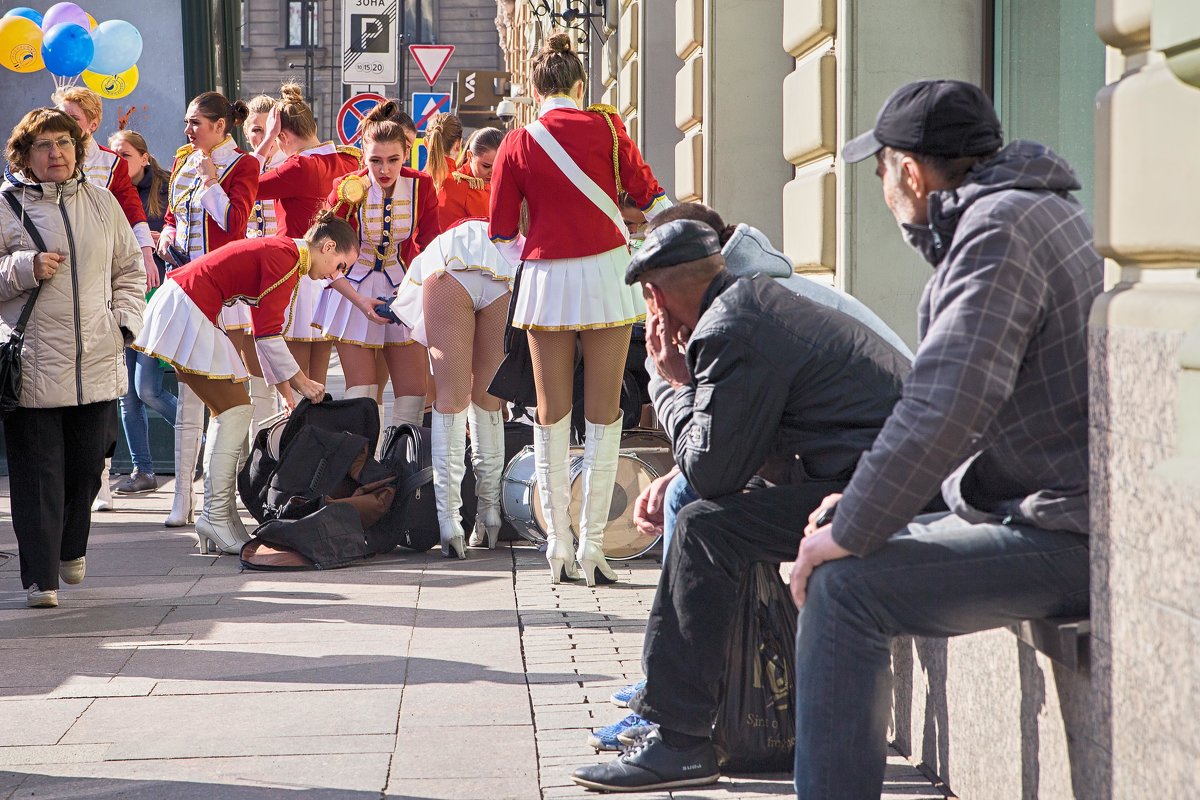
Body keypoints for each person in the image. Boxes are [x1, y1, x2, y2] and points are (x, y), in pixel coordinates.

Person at [784, 80, 1100, 799]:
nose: (884, 186)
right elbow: (970, 418)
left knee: (841, 590)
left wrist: (857, 526)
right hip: (1050, 508)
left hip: (1065, 532)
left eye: (881, 170)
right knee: (841, 541)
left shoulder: (997, 231)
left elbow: (943, 405)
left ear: (909, 171)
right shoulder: (1037, 210)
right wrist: (861, 505)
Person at [569, 219, 912, 790]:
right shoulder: (750, 304)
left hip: (882, 489)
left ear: (654, 295)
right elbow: (741, 453)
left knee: (706, 529)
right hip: (875, 477)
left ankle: (679, 740)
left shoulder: (732, 328)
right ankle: (680, 721)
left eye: (648, 298)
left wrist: (672, 386)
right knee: (714, 522)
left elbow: (710, 474)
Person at [488, 32, 671, 587]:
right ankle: (594, 546)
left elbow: (499, 233)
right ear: (577, 85)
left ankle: (557, 545)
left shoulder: (516, 142)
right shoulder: (610, 129)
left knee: (550, 413)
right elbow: (655, 200)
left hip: (546, 279)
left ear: (535, 89)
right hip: (608, 273)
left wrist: (538, 243)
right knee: (605, 411)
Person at [134, 212, 358, 555]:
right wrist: (300, 382)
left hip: (188, 302)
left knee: (230, 411)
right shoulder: (287, 259)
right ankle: (215, 515)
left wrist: (288, 386)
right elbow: (267, 335)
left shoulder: (287, 255)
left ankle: (218, 514)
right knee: (235, 410)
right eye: (340, 265)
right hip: (189, 305)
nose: (335, 275)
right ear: (328, 247)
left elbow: (262, 329)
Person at [0, 108, 145, 608]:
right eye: (43, 145)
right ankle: (41, 580)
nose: (55, 152)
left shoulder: (103, 203)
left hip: (97, 359)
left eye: (63, 142)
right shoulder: (5, 208)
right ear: (25, 154)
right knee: (38, 474)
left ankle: (70, 547)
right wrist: (23, 267)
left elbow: (130, 269)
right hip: (33, 363)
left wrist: (124, 323)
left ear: (77, 148)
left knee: (87, 466)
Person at [53, 86, 160, 512]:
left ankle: (100, 481)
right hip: (56, 285)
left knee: (105, 387)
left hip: (98, 285)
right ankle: (78, 479)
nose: (63, 126)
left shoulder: (109, 163)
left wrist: (147, 255)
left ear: (93, 124)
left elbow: (132, 210)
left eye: (73, 119)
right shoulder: (43, 155)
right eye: (59, 115)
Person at [156, 92, 259, 529]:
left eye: (196, 122)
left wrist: (213, 179)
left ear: (221, 126)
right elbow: (173, 215)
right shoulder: (183, 161)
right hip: (185, 289)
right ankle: (183, 496)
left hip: (225, 296)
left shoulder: (243, 165)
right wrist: (166, 234)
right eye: (187, 121)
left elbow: (235, 227)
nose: (188, 130)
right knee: (187, 398)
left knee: (228, 394)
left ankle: (229, 494)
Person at [391, 219, 519, 557]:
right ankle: (489, 514)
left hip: (449, 262)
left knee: (450, 399)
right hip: (503, 265)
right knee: (489, 398)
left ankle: (450, 523)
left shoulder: (442, 186)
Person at [319, 101, 438, 435]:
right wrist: (358, 301)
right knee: (361, 396)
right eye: (375, 160)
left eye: (393, 160)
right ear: (363, 154)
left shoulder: (421, 185)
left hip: (404, 288)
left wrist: (414, 289)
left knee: (414, 396)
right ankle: (364, 478)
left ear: (407, 154)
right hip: (353, 290)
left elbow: (431, 245)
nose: (384, 169)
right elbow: (326, 258)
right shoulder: (347, 188)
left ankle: (401, 474)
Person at [251, 83, 360, 395]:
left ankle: (293, 442)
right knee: (319, 382)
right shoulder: (348, 160)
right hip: (332, 276)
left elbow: (245, 186)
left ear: (284, 136)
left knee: (295, 385)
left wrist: (266, 141)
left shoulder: (298, 165)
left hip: (297, 273)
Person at [107, 129, 179, 495]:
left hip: (158, 298)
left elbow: (177, 235)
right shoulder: (109, 190)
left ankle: (198, 442)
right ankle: (143, 471)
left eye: (125, 155)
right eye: (114, 155)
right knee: (128, 396)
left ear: (144, 158)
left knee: (148, 389)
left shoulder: (166, 189)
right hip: (122, 297)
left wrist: (151, 242)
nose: (118, 162)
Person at [425, 115, 503, 229]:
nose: (493, 172)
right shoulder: (469, 188)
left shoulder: (419, 181)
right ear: (459, 145)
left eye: (498, 166)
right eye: (486, 166)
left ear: (427, 143)